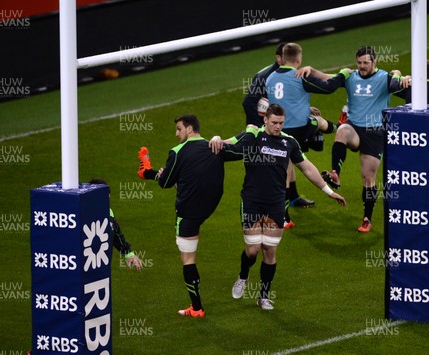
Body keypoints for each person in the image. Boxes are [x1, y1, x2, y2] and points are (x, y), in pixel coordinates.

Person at [210, 104, 346, 310]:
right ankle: (243, 276)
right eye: (274, 123)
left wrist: (329, 191)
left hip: (276, 203)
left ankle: (263, 296)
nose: (277, 127)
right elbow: (228, 144)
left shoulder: (289, 142)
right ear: (265, 120)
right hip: (252, 201)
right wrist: (216, 138)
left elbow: (307, 168)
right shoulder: (253, 135)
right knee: (253, 249)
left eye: (281, 123)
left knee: (269, 251)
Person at [137, 114, 241, 318]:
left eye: (178, 129)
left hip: (187, 213)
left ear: (190, 129)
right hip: (209, 206)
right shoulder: (215, 146)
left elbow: (165, 184)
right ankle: (147, 171)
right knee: (181, 176)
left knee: (188, 259)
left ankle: (196, 308)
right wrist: (250, 129)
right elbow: (241, 141)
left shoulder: (177, 152)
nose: (176, 134)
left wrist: (164, 175)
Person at [321, 45, 410, 233]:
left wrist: (405, 77)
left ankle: (367, 218)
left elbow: (400, 86)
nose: (362, 66)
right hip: (354, 127)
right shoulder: (350, 77)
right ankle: (335, 172)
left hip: (374, 132)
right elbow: (327, 80)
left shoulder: (384, 78)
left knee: (368, 178)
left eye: (366, 63)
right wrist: (311, 71)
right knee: (342, 130)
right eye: (359, 62)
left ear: (374, 62)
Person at [265, 42, 350, 226]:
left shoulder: (270, 78)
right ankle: (339, 127)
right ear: (299, 59)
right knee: (317, 122)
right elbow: (328, 87)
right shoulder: (299, 75)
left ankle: (285, 217)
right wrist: (343, 73)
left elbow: (282, 100)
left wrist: (304, 106)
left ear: (282, 57)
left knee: (285, 170)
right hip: (299, 129)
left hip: (278, 131)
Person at [88, 178, 143, 272]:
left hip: (103, 266)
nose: (107, 198)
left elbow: (116, 233)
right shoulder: (83, 216)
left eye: (107, 194)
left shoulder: (108, 212)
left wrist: (128, 253)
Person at [242, 42, 287, 127]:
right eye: (289, 57)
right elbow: (248, 103)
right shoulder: (263, 77)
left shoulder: (289, 74)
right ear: (279, 58)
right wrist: (262, 128)